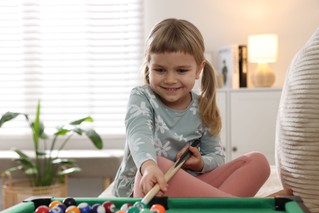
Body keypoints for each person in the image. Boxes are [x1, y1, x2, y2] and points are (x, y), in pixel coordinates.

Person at [112, 18, 270, 198]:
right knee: (161, 164)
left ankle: (217, 206)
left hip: (188, 186)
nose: (170, 79)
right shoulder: (141, 97)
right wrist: (148, 166)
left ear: (198, 70)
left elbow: (217, 157)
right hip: (147, 185)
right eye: (160, 70)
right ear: (148, 67)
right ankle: (239, 207)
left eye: (181, 71)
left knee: (258, 162)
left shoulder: (203, 106)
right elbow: (138, 136)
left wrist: (200, 163)